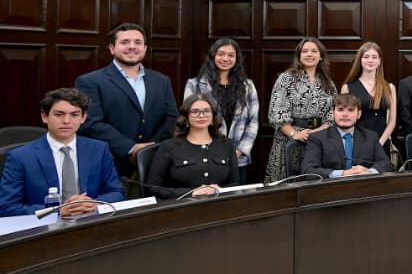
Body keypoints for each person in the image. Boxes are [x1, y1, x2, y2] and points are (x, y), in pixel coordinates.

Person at [75, 22, 180, 183]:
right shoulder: (90, 81)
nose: (132, 46)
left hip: (156, 163)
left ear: (145, 48)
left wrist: (150, 148)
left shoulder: (161, 80)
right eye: (125, 42)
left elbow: (172, 118)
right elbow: (91, 123)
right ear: (112, 48)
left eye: (138, 42)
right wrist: (131, 148)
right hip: (110, 165)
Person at [0, 88, 125, 217]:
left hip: (90, 221)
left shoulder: (99, 150)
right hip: (45, 226)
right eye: (59, 114)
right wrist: (57, 211)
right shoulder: (20, 157)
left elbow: (117, 193)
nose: (66, 121)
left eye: (74, 115)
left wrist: (94, 203)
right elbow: (6, 207)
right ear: (44, 117)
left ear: (83, 118)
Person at [184, 37, 259, 178]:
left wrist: (240, 151)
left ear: (237, 59)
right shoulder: (194, 84)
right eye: (221, 54)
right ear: (213, 56)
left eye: (231, 55)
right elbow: (189, 120)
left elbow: (253, 122)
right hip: (206, 156)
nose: (225, 59)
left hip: (238, 158)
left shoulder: (247, 86)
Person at [264, 37, 336, 183]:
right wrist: (294, 134)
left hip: (318, 139)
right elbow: (276, 112)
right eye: (305, 51)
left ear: (321, 56)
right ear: (299, 55)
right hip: (289, 139)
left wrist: (318, 131)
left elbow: (333, 113)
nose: (309, 54)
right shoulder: (286, 78)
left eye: (314, 51)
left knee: (314, 184)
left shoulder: (328, 82)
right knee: (286, 186)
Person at [144, 94, 240, 199]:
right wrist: (190, 193)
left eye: (206, 111)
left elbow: (235, 183)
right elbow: (152, 188)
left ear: (213, 116)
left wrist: (220, 190)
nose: (201, 115)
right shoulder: (169, 146)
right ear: (186, 117)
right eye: (195, 111)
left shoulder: (226, 144)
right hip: (182, 206)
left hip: (220, 204)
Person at [301, 93, 393, 178]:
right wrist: (342, 173)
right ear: (333, 113)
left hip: (364, 186)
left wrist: (369, 172)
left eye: (351, 110)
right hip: (331, 188)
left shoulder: (370, 136)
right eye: (340, 110)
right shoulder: (317, 138)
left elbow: (386, 164)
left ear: (359, 114)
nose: (345, 114)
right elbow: (308, 170)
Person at [340, 41, 397, 151]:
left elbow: (392, 121)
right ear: (360, 60)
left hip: (381, 145)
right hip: (356, 144)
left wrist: (379, 143)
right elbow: (344, 119)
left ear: (379, 61)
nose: (370, 60)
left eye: (374, 57)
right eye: (366, 57)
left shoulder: (390, 88)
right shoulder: (347, 88)